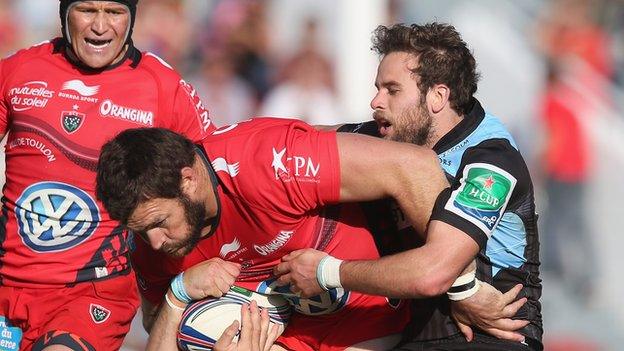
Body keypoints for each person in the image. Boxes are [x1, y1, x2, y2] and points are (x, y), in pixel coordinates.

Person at [96, 116, 526, 350]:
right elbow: (156, 325)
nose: (154, 242)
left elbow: (413, 166)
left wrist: (463, 285)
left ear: (188, 180)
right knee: (194, 331)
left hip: (364, 323)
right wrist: (177, 293)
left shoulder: (266, 162)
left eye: (157, 223)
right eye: (141, 231)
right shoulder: (152, 240)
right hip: (284, 337)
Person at [275, 22, 543, 350]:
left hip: (491, 338)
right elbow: (294, 142)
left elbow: (434, 272)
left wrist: (327, 272)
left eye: (392, 89)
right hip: (416, 338)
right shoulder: (393, 137)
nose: (375, 100)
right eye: (377, 88)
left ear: (438, 96)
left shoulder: (491, 162)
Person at [0, 1, 213, 350]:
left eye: (114, 12)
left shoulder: (163, 86)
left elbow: (212, 180)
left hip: (93, 292)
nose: (100, 26)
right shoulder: (19, 70)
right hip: (9, 282)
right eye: (87, 10)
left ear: (132, 17)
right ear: (64, 13)